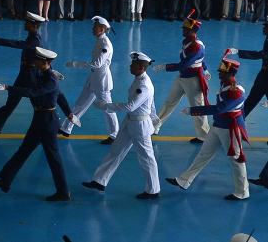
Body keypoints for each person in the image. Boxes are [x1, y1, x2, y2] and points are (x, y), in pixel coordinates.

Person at [0, 46, 71, 201]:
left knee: (53, 158)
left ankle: (63, 191)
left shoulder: (51, 80)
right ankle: (5, 181)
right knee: (23, 151)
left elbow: (33, 93)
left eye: (37, 60)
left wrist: (7, 87)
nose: (34, 62)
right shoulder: (43, 75)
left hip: (48, 123)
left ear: (45, 62)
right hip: (39, 120)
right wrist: (69, 114)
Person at [165, 52, 250, 200]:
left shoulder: (235, 92)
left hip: (230, 129)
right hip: (218, 126)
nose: (219, 74)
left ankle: (242, 191)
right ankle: (185, 180)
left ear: (230, 74)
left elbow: (219, 109)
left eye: (222, 72)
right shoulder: (226, 85)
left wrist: (193, 110)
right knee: (204, 154)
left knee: (236, 161)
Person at [83, 51, 161, 199]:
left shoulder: (143, 85)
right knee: (115, 151)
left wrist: (106, 106)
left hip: (139, 126)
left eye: (133, 64)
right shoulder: (139, 80)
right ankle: (100, 180)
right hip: (129, 123)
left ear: (141, 68)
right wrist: (153, 114)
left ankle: (153, 190)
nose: (130, 66)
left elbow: (129, 106)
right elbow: (150, 103)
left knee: (146, 158)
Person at [0, 12, 68, 134]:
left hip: (32, 77)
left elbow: (18, 44)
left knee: (41, 103)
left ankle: (57, 126)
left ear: (34, 26)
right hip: (24, 75)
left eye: (27, 23)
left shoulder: (35, 40)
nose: (25, 24)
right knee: (11, 102)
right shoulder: (32, 36)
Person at [59, 16, 120, 143]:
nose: (92, 29)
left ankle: (115, 135)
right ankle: (66, 128)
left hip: (101, 81)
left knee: (107, 107)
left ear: (102, 30)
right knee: (80, 103)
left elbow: (97, 64)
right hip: (94, 78)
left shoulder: (105, 45)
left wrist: (76, 64)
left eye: (95, 27)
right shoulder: (99, 41)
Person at [153, 13, 211, 142]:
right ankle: (156, 125)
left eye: (185, 29)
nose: (183, 30)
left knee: (197, 108)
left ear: (192, 30)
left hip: (193, 80)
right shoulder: (188, 41)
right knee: (169, 102)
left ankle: (204, 135)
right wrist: (205, 69)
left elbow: (184, 64)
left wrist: (165, 67)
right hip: (183, 77)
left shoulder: (196, 46)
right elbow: (201, 59)